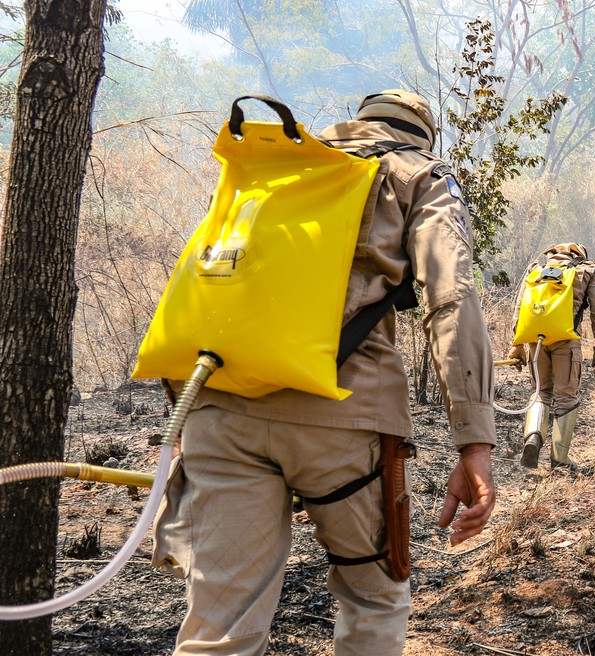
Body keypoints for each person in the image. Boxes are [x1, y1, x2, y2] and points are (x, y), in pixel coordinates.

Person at [152, 89, 497, 656]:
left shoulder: (282, 163)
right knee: (373, 599)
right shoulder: (419, 174)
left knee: (219, 631)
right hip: (343, 417)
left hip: (221, 408)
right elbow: (451, 297)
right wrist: (475, 444)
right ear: (422, 136)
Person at [506, 243, 595, 472]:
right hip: (566, 342)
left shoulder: (536, 269)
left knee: (541, 392)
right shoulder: (587, 271)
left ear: (552, 254)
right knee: (566, 397)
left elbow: (520, 308)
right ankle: (560, 458)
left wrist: (517, 345)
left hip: (535, 341)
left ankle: (533, 438)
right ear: (579, 255)